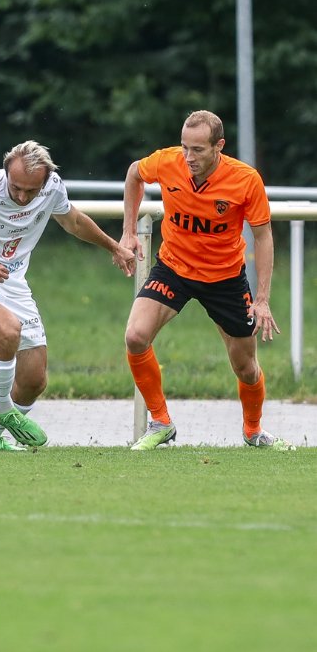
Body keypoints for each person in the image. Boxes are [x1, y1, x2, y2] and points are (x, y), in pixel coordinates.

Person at [0, 141, 135, 451]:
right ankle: (2, 408)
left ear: (45, 182)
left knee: (34, 380)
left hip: (13, 283)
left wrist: (114, 247)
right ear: (6, 173)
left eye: (31, 191)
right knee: (7, 331)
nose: (22, 197)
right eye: (16, 188)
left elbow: (74, 222)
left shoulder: (53, 187)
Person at [120, 110, 291, 451]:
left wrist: (261, 299)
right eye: (185, 147)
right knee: (135, 336)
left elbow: (263, 237)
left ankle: (253, 431)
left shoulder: (245, 179)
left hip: (225, 278)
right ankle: (161, 423)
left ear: (219, 146)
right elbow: (134, 174)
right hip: (174, 268)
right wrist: (128, 231)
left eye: (197, 149)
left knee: (246, 368)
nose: (188, 157)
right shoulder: (168, 161)